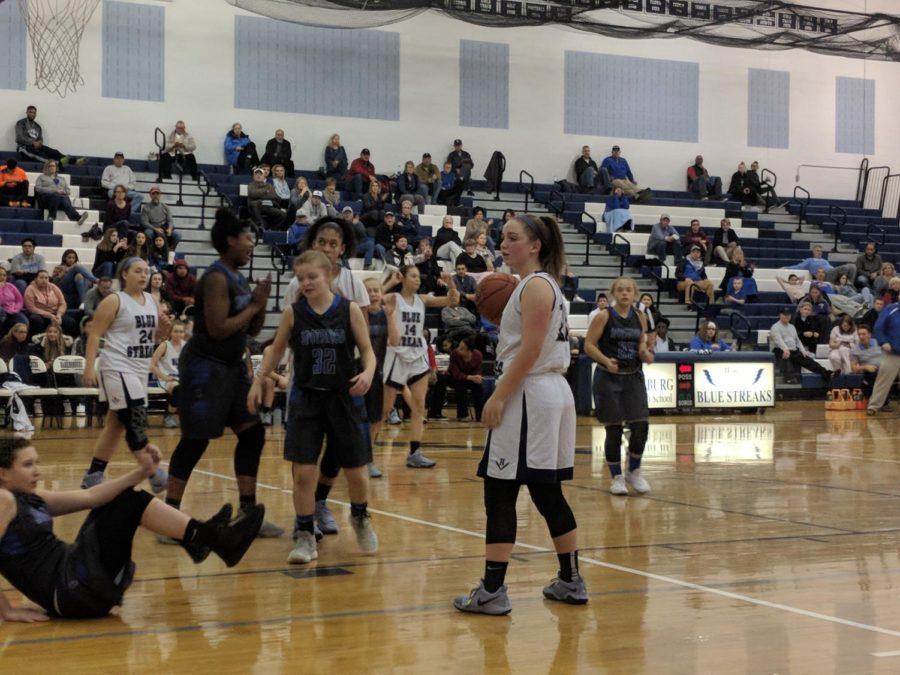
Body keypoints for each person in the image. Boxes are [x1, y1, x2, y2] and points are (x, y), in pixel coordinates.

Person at [454, 213, 586, 615]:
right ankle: (570, 580)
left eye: (512, 238)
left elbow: (529, 350)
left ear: (535, 246)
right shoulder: (546, 286)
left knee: (500, 489)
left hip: (529, 393)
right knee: (546, 491)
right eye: (503, 237)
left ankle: (493, 590)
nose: (504, 243)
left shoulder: (534, 286)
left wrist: (498, 397)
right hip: (548, 392)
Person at [0, 437, 265, 621]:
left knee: (121, 498)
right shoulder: (4, 500)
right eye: (27, 465)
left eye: (36, 462)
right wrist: (7, 610)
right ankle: (208, 538)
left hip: (78, 584)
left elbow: (91, 496)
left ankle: (204, 538)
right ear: (3, 473)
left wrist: (141, 472)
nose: (37, 471)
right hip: (72, 590)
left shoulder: (30, 497)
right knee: (127, 501)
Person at [249, 250, 379, 564]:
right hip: (306, 396)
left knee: (357, 473)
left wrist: (369, 372)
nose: (306, 283)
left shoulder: (349, 310)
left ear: (329, 275)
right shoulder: (294, 313)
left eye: (312, 277)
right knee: (304, 474)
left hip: (343, 396)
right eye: (301, 278)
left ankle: (360, 516)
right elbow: (275, 351)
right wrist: (258, 381)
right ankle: (306, 534)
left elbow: (367, 351)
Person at [164, 209, 282, 539]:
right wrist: (255, 306)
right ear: (230, 240)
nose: (251, 244)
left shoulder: (238, 277)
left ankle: (247, 512)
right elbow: (217, 329)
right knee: (195, 440)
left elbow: (249, 328)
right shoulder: (215, 278)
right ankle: (168, 516)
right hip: (205, 367)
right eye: (247, 238)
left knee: (253, 433)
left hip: (231, 367)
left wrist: (261, 302)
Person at [79, 257, 171, 491]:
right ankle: (152, 472)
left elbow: (157, 336)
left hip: (139, 367)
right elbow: (95, 334)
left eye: (146, 272)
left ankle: (93, 475)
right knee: (135, 417)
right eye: (137, 271)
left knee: (116, 424)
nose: (143, 275)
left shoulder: (152, 300)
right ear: (125, 275)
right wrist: (89, 367)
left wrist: (165, 327)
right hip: (117, 365)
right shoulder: (114, 300)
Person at [382, 266, 459, 468]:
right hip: (397, 354)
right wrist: (390, 282)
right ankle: (366, 456)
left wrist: (450, 283)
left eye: (419, 276)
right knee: (385, 409)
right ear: (403, 278)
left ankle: (415, 453)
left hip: (417, 355)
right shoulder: (394, 299)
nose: (417, 280)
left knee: (418, 407)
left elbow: (453, 301)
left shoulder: (422, 299)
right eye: (413, 276)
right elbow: (373, 300)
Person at [585, 275, 655, 495]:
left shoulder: (640, 316)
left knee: (641, 427)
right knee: (613, 431)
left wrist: (645, 353)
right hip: (608, 376)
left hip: (633, 375)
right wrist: (605, 360)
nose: (625, 293)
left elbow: (641, 343)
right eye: (621, 290)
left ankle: (634, 472)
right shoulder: (604, 316)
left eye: (629, 290)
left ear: (634, 293)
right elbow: (588, 345)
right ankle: (616, 477)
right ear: (614, 293)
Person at [770, 307, 833, 385]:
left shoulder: (792, 327)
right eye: (784, 314)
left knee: (807, 359)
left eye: (788, 315)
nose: (787, 316)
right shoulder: (775, 327)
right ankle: (789, 378)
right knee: (786, 354)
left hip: (793, 350)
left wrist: (803, 350)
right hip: (778, 349)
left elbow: (797, 340)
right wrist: (786, 349)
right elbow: (778, 340)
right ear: (780, 315)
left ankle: (826, 373)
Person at [15, 105, 85, 165]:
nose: (32, 114)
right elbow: (19, 138)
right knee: (41, 155)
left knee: (54, 152)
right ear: (27, 112)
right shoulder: (21, 123)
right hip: (24, 148)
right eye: (30, 112)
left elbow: (40, 139)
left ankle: (74, 161)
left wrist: (39, 143)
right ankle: (57, 164)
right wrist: (33, 143)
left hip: (36, 147)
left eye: (34, 113)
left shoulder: (37, 126)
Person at [867, 301, 900, 415]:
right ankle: (873, 406)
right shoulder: (890, 309)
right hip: (892, 352)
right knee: (883, 380)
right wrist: (883, 342)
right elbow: (878, 328)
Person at [34, 160, 88, 225]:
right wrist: (54, 191)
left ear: (56, 168)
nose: (52, 167)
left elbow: (68, 191)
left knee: (63, 199)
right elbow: (38, 189)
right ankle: (52, 216)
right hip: (46, 199)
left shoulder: (61, 179)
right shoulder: (41, 177)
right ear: (46, 167)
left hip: (60, 199)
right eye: (50, 166)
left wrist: (64, 192)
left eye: (53, 166)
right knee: (56, 195)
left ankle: (78, 218)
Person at [24, 270, 74, 336]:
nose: (44, 280)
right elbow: (31, 308)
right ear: (35, 279)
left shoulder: (53, 287)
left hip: (55, 313)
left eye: (46, 278)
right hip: (39, 314)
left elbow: (62, 303)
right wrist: (49, 315)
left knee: (70, 321)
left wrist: (59, 315)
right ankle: (38, 340)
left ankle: (64, 341)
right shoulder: (30, 289)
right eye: (41, 278)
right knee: (36, 320)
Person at [447, 337, 485, 421]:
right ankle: (462, 415)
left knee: (479, 388)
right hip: (454, 378)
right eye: (459, 346)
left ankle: (480, 415)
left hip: (470, 378)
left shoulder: (478, 355)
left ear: (469, 350)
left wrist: (478, 376)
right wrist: (470, 377)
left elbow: (478, 370)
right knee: (460, 386)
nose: (458, 349)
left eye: (462, 348)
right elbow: (455, 373)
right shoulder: (454, 354)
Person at [784, 245, 856, 284]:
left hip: (832, 272)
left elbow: (832, 268)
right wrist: (785, 267)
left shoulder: (825, 261)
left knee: (853, 266)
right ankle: (845, 285)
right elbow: (798, 266)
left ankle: (850, 285)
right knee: (845, 268)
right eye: (818, 251)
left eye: (821, 251)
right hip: (825, 276)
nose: (820, 252)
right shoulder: (810, 260)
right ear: (813, 252)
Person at [851, 324, 881, 395]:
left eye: (863, 334)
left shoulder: (878, 342)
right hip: (871, 373)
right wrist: (865, 367)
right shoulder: (855, 350)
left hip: (885, 369)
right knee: (872, 374)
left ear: (869, 335)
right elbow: (853, 368)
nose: (861, 336)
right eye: (859, 334)